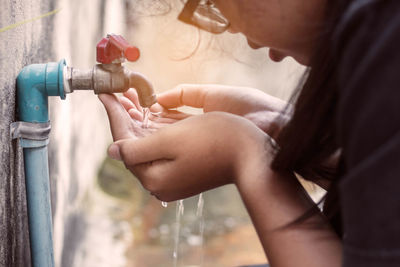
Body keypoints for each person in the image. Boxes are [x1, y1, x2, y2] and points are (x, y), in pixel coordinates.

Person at [99, 0, 400, 266]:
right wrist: (285, 132)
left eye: (212, 3)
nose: (257, 47)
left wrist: (244, 153)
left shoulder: (385, 43)